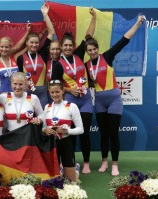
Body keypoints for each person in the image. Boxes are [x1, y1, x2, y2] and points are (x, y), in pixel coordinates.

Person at [84, 15, 146, 176]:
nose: (92, 52)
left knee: (113, 133)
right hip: (99, 101)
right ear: (87, 52)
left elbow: (125, 39)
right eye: (89, 50)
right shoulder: (85, 66)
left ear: (98, 48)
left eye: (94, 49)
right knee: (103, 134)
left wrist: (138, 23)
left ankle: (115, 165)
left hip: (114, 100)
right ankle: (104, 162)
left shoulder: (108, 56)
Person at [51, 7, 96, 174]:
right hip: (70, 102)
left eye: (70, 45)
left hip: (85, 101)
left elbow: (89, 37)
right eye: (65, 46)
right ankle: (69, 164)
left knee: (84, 133)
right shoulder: (57, 65)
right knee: (70, 134)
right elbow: (54, 86)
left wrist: (94, 18)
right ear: (61, 47)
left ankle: (85, 164)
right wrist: (70, 89)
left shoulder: (79, 54)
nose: (68, 48)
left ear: (73, 46)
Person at [42, 80, 84, 182]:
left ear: (63, 91)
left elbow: (81, 129)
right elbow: (43, 127)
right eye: (52, 92)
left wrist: (67, 131)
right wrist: (45, 130)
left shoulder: (71, 106)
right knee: (53, 181)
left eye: (57, 92)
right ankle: (61, 170)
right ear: (49, 92)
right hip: (52, 144)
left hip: (66, 143)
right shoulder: (47, 107)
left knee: (71, 182)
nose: (55, 95)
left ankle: (76, 170)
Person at [17, 3, 55, 108]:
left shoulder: (43, 53)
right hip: (27, 93)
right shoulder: (21, 58)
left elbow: (51, 33)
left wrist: (45, 14)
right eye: (31, 42)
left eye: (36, 43)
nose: (34, 45)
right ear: (27, 43)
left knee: (43, 119)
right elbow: (19, 78)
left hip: (42, 93)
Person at [0, 24, 31, 94]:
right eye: (2, 47)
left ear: (10, 48)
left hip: (17, 94)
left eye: (6, 47)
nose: (4, 49)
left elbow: (27, 46)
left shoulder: (14, 59)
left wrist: (28, 32)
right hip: (3, 96)